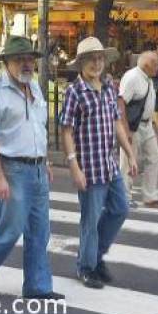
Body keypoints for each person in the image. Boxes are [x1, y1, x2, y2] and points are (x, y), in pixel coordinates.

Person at [0, 35, 64, 301]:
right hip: (13, 169)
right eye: (20, 59)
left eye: (30, 59)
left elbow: (37, 128)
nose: (27, 64)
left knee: (39, 232)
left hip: (37, 169)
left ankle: (37, 287)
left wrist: (45, 160)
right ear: (6, 62)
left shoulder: (35, 88)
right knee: (10, 229)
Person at [60, 36, 138, 289]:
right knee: (90, 221)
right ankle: (87, 267)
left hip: (109, 164)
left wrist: (130, 154)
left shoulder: (108, 87)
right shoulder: (75, 92)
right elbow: (67, 131)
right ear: (81, 63)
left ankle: (95, 256)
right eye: (91, 59)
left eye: (100, 58)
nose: (96, 63)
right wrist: (74, 167)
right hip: (89, 168)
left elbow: (116, 123)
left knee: (120, 208)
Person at [119, 51, 158, 210]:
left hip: (146, 125)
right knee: (127, 163)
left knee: (154, 156)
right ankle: (123, 197)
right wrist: (125, 130)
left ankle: (150, 196)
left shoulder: (147, 78)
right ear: (147, 65)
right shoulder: (133, 77)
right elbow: (121, 103)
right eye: (156, 64)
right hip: (133, 127)